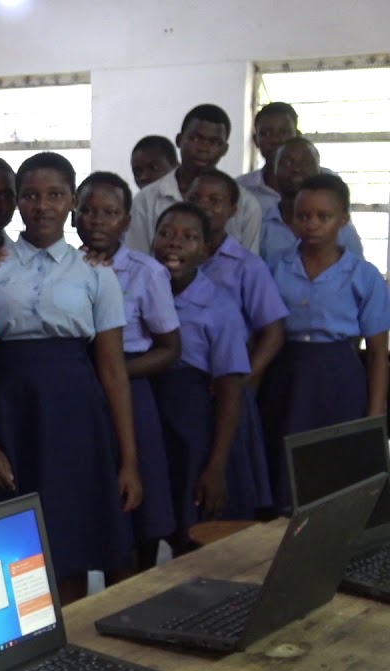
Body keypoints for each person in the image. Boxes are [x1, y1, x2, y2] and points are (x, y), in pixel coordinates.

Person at [0, 152, 141, 600]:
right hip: (10, 411)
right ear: (16, 201)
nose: (42, 206)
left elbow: (111, 368)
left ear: (72, 201)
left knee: (69, 540)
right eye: (30, 195)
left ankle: (71, 650)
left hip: (75, 416)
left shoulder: (95, 272)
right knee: (17, 548)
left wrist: (128, 460)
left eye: (55, 195)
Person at [260, 174, 390, 512]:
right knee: (285, 468)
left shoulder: (364, 275)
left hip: (339, 377)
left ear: (343, 220)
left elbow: (377, 354)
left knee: (336, 474)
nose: (312, 225)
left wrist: (374, 415)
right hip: (286, 373)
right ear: (291, 220)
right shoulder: (275, 267)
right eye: (304, 216)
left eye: (324, 217)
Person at [76, 171, 181, 568]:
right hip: (83, 395)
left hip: (130, 390)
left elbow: (171, 349)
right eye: (87, 210)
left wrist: (116, 373)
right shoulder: (67, 267)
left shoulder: (146, 272)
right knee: (94, 503)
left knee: (139, 509)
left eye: (109, 212)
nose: (98, 220)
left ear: (126, 220)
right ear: (73, 215)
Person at [150, 203, 251, 552]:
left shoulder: (219, 307)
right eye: (165, 234)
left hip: (193, 426)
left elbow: (229, 387)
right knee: (145, 526)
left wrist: (216, 466)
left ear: (206, 250)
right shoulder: (138, 291)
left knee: (191, 526)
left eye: (189, 237)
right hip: (148, 417)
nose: (174, 244)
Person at [187, 168, 284, 516]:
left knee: (225, 491)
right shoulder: (170, 259)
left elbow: (273, 332)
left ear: (233, 210)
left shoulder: (246, 266)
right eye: (197, 198)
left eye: (216, 201)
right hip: (184, 390)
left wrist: (243, 379)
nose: (206, 207)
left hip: (226, 386)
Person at [125, 104, 263, 254]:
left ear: (224, 149)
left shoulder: (245, 204)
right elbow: (137, 262)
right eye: (195, 138)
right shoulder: (146, 200)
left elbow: (247, 265)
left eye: (214, 142)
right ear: (179, 140)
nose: (203, 148)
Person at [258, 137, 364, 263]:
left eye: (306, 163)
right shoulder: (261, 226)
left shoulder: (342, 230)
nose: (296, 169)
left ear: (319, 170)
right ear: (274, 171)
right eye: (287, 163)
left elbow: (360, 277)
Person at [237, 102, 302, 213]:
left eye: (284, 132)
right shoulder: (239, 189)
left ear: (298, 136)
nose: (275, 140)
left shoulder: (326, 181)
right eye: (266, 133)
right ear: (255, 140)